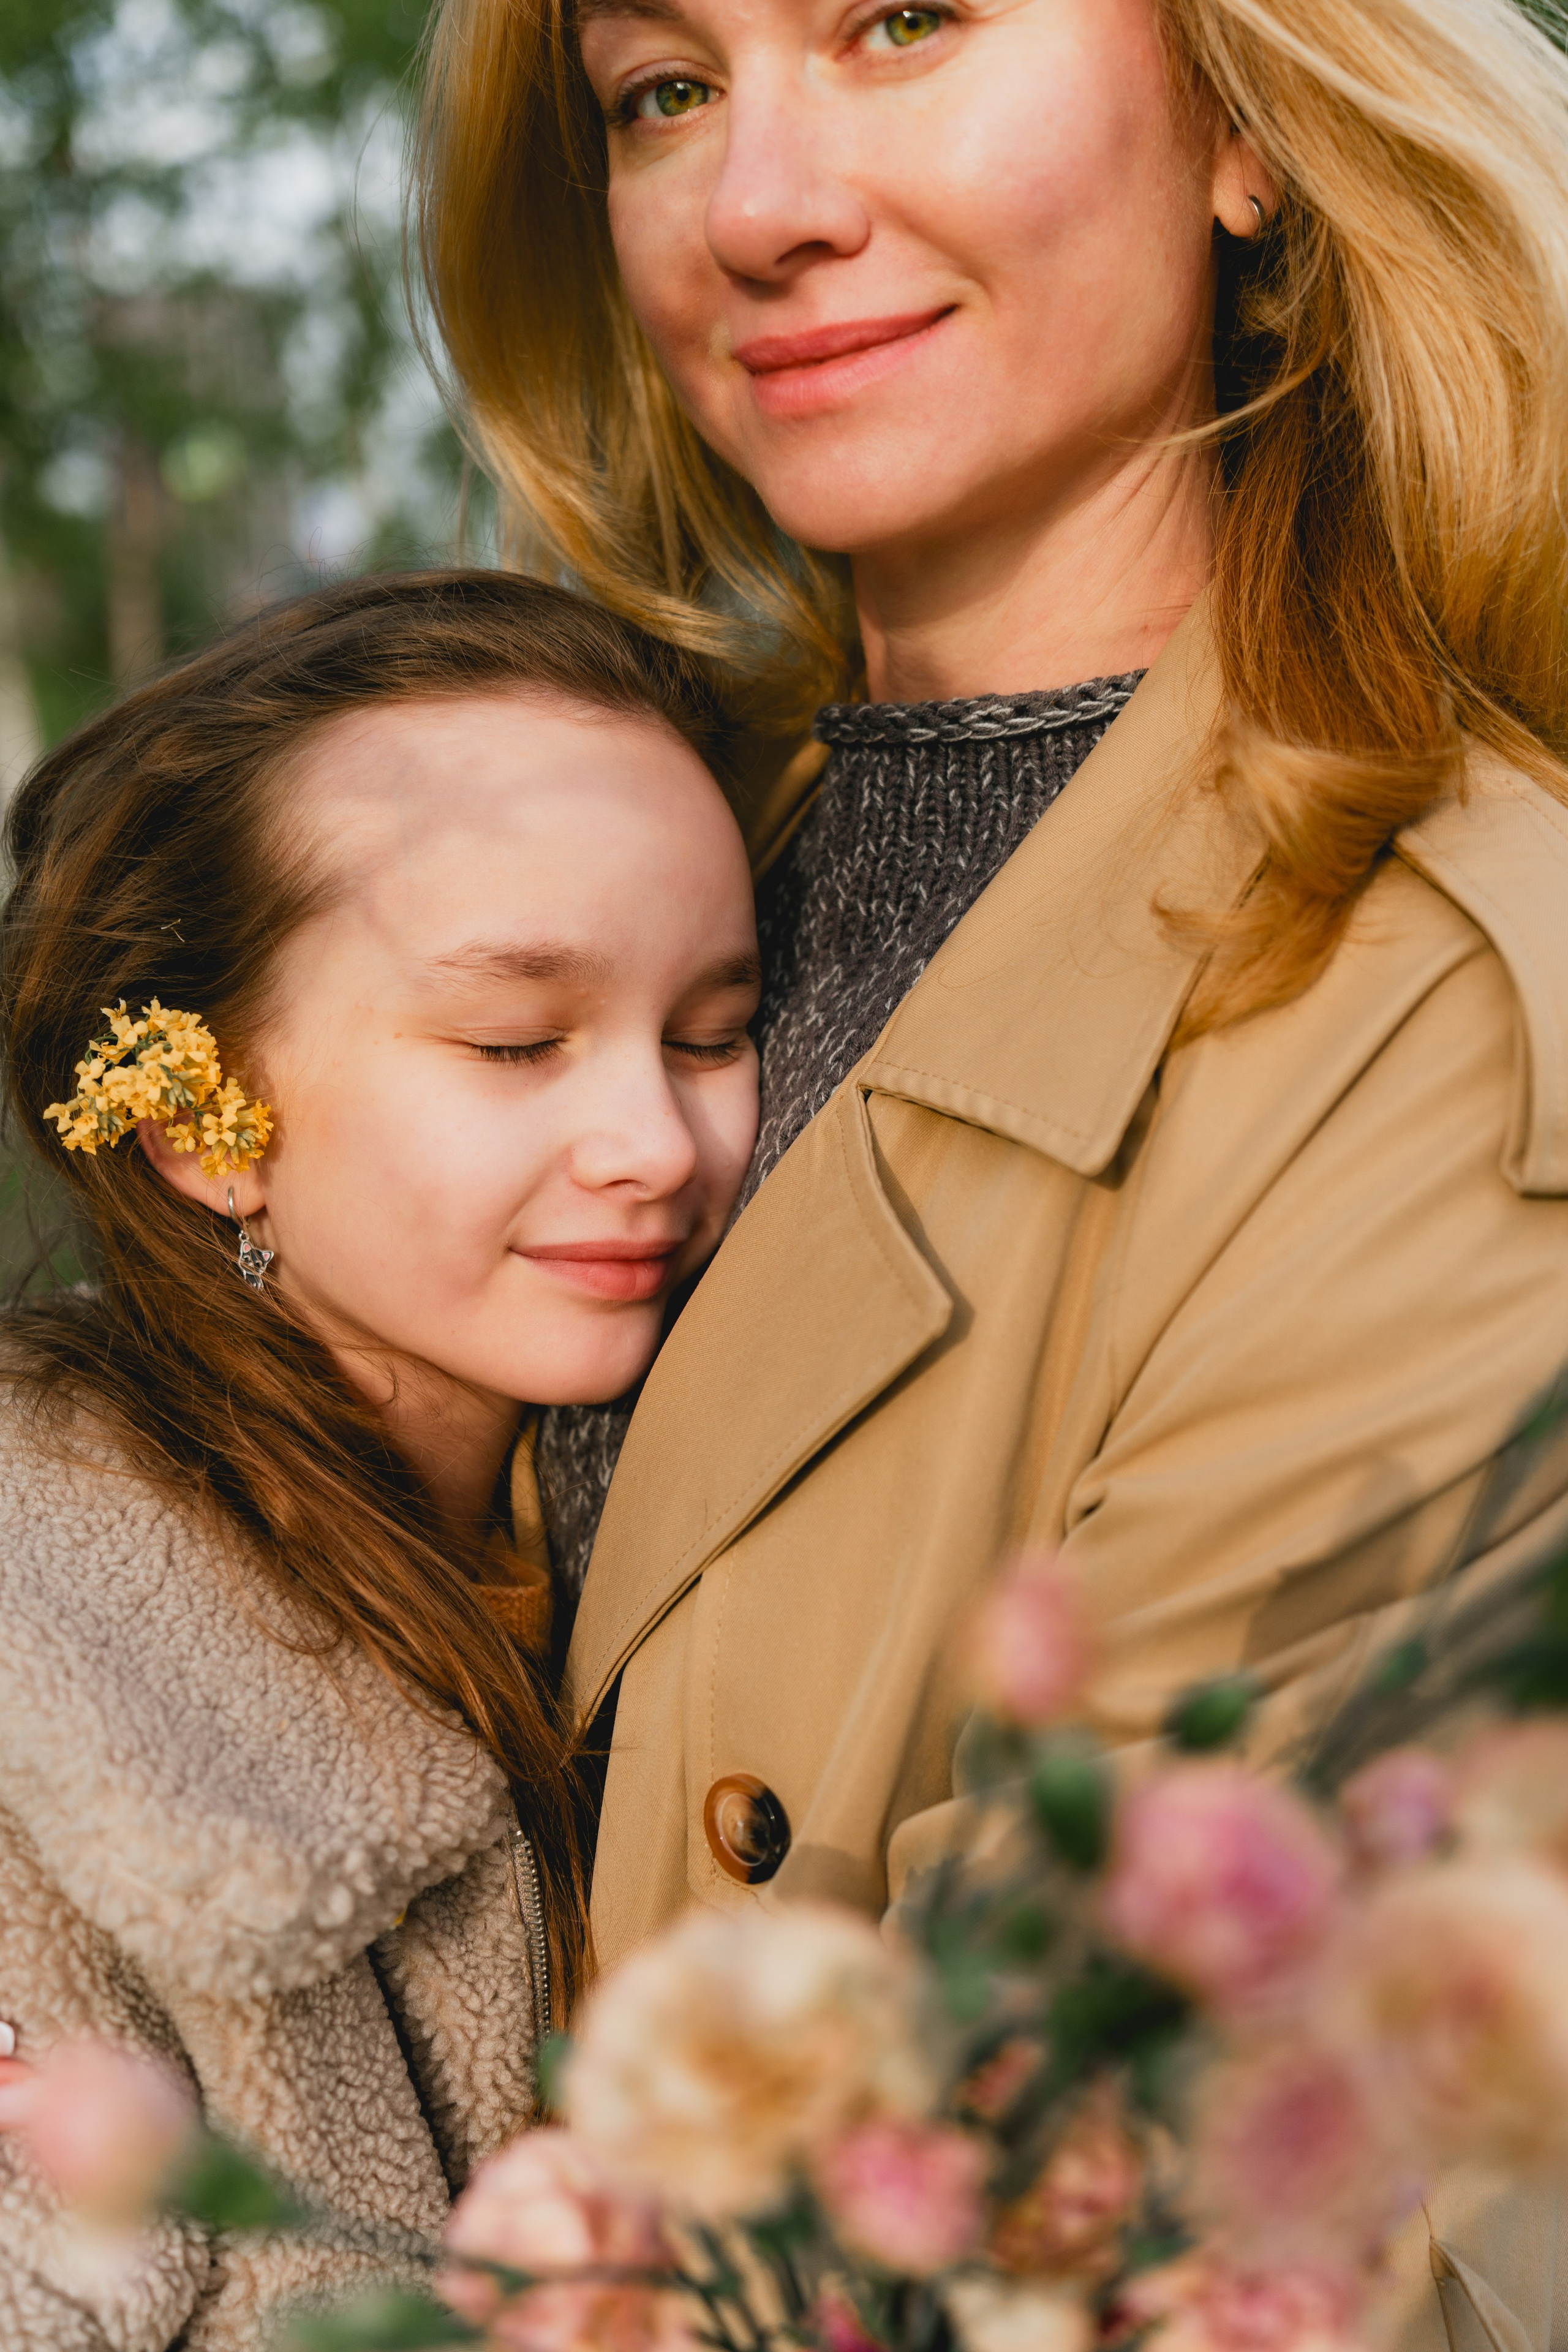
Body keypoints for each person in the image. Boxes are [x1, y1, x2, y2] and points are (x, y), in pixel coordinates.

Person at [415, 1, 1568, 2340]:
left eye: (905, 20)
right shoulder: (656, 882)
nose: (759, 204)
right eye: (667, 88)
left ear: (1246, 116)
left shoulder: (1449, 1026)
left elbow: (1116, 2189)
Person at [0, 569, 760, 2347]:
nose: (652, 1139)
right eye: (517, 1041)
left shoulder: (620, 1518)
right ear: (195, 1115)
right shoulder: (47, 1685)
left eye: (715, 1031)